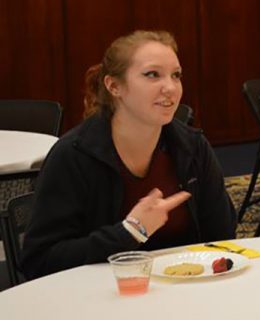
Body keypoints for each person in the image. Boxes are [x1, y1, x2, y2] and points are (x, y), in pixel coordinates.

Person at [21, 31, 235, 279]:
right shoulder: (73, 155)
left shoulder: (192, 147)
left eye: (176, 75)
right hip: (98, 298)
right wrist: (130, 231)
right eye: (152, 75)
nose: (171, 88)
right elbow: (39, 261)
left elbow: (223, 236)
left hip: (184, 291)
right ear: (114, 86)